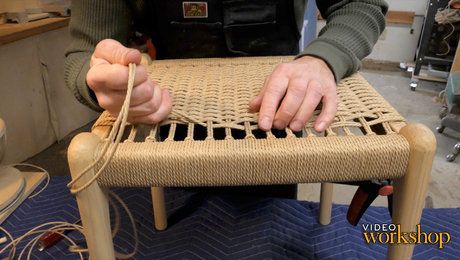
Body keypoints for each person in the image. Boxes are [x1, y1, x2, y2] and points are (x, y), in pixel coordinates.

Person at [64, 0, 388, 198]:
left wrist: (324, 58)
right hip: (173, 122)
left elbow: (361, 4)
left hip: (278, 116)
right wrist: (103, 81)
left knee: (269, 217)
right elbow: (84, 51)